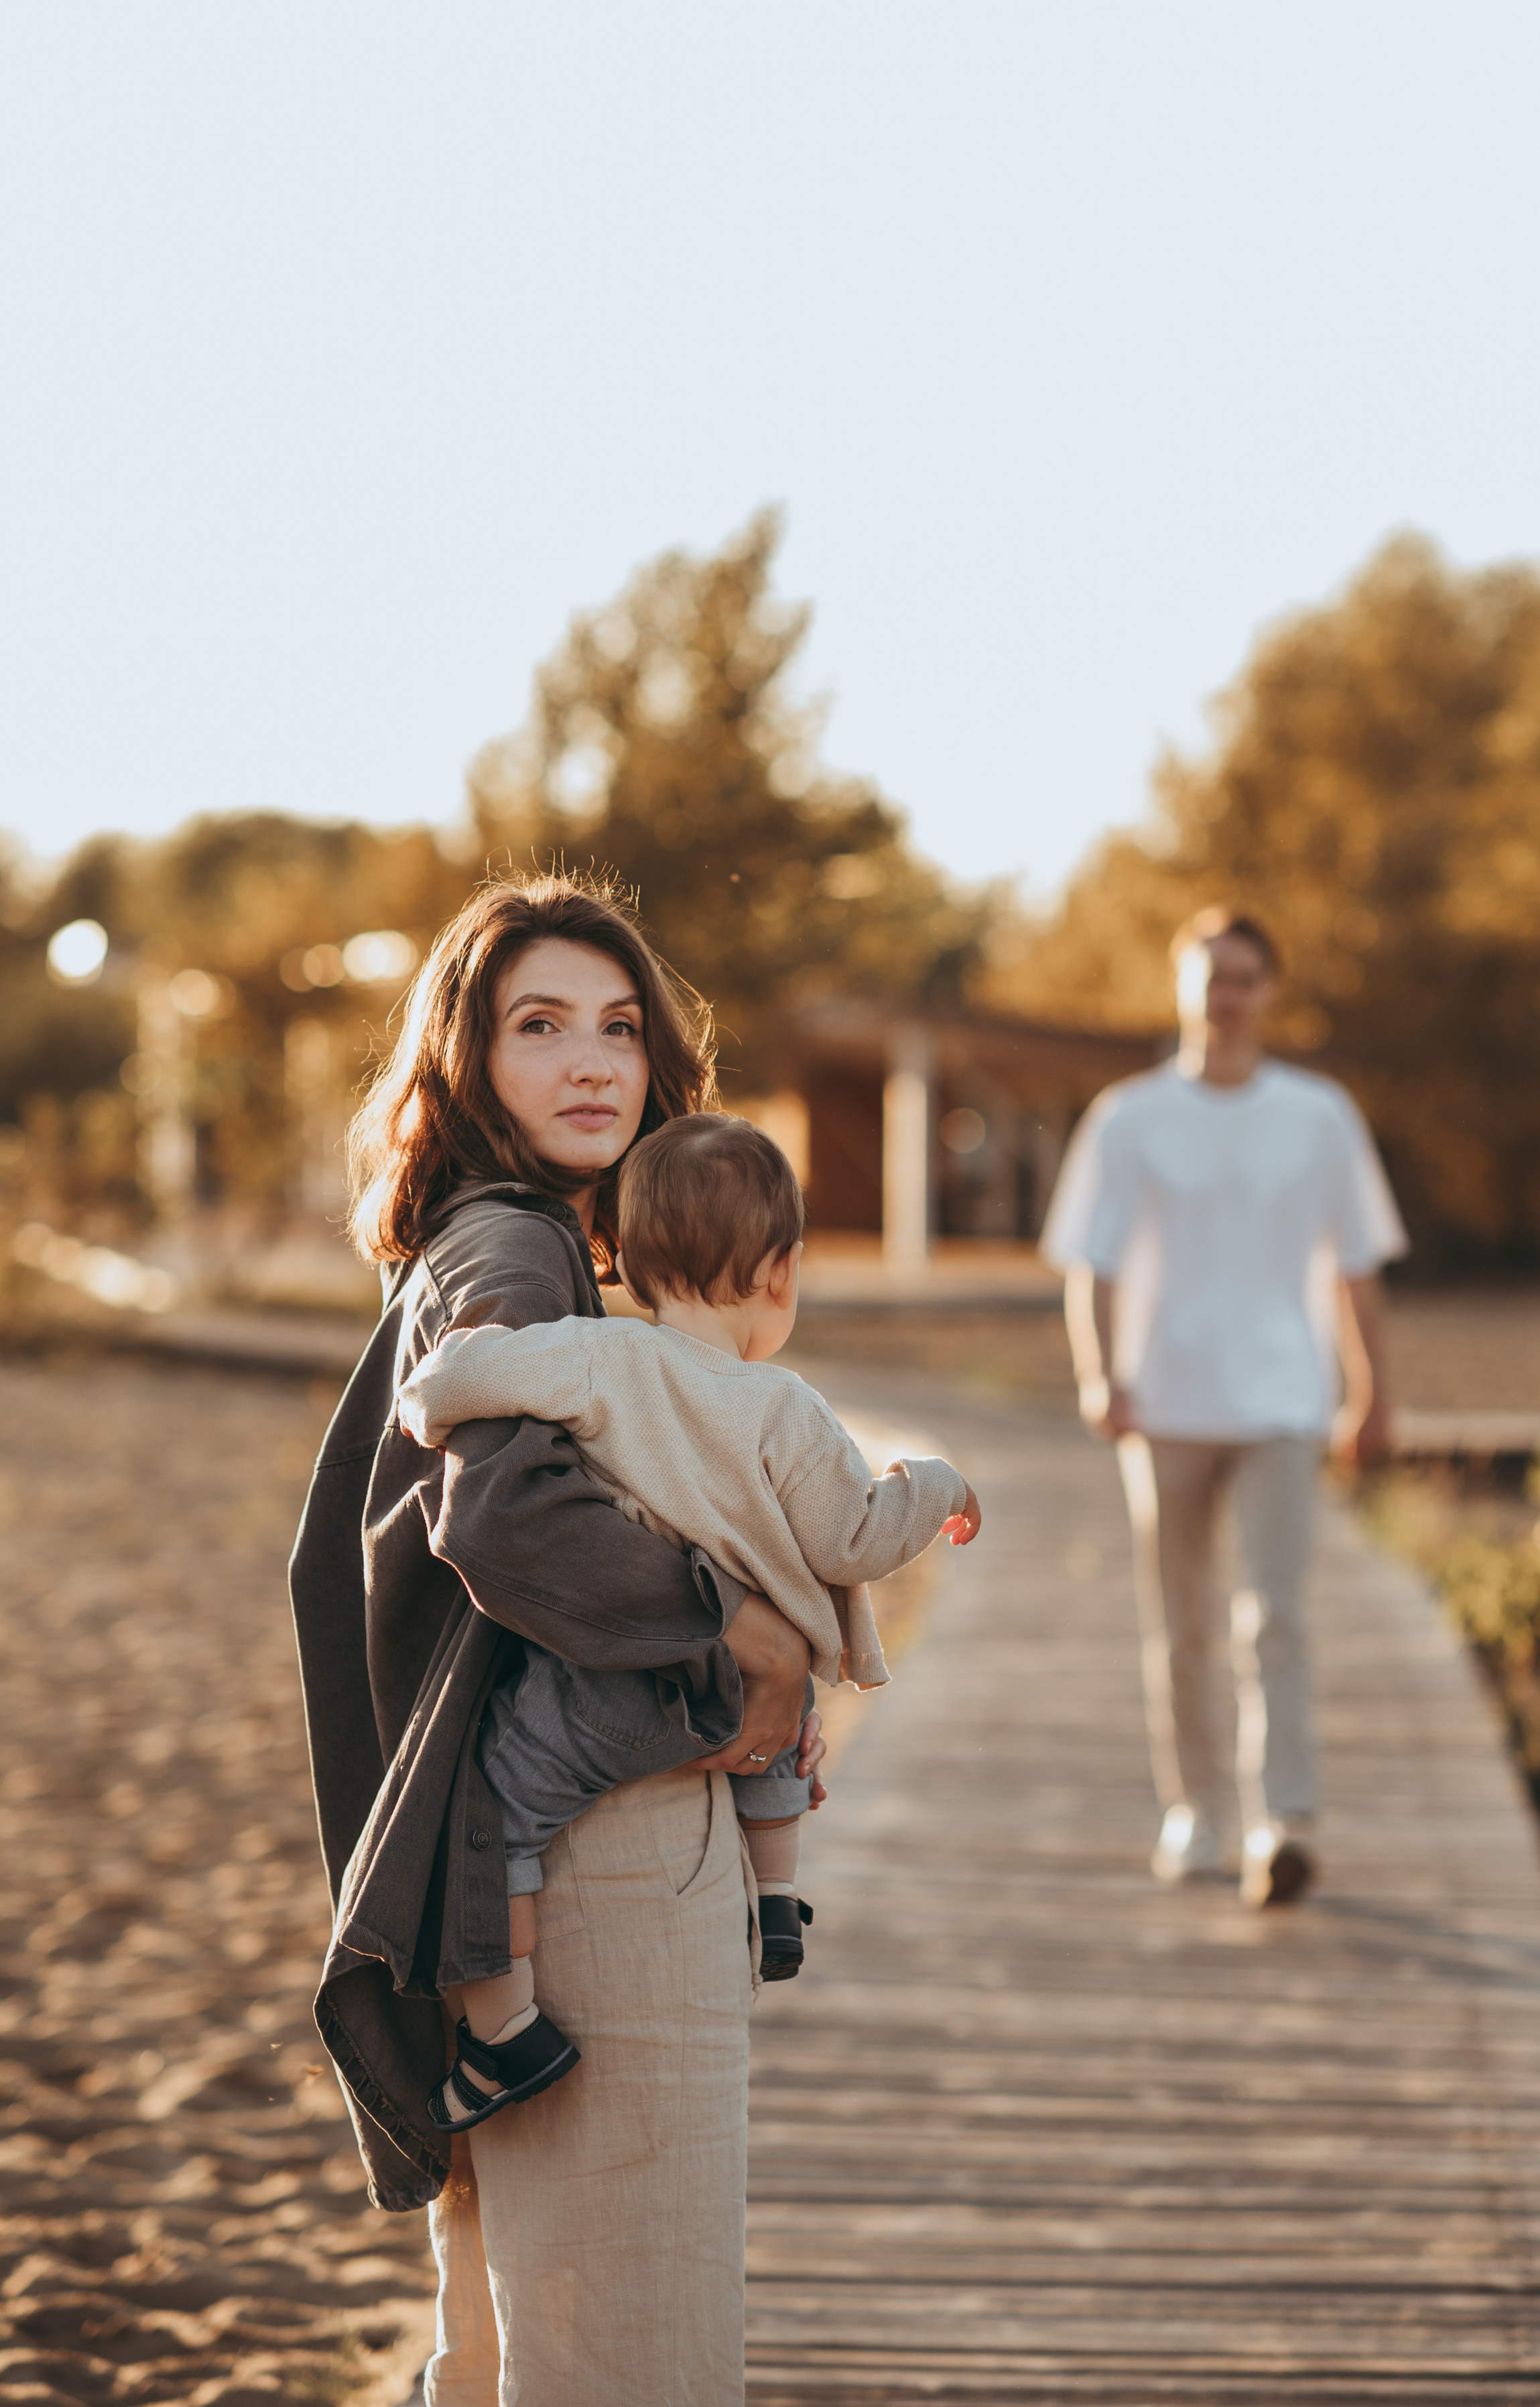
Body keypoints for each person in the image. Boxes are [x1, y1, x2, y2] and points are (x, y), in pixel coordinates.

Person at [289, 874, 828, 2406]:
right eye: (539, 1026)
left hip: (532, 1840)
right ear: (467, 1057)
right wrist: (736, 1632)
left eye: (619, 1028)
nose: (593, 1062)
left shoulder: (494, 1243)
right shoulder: (515, 1250)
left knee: (508, 2339)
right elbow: (508, 1516)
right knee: (629, 2346)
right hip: (600, 1845)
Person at [396, 1109, 980, 2124]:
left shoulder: (600, 1355)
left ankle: (505, 2031)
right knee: (787, 1732)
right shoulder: (786, 1409)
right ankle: (778, 1900)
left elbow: (453, 1385)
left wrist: (440, 1379)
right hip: (749, 1691)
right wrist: (935, 1484)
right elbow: (854, 1540)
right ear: (782, 1273)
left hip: (616, 1686)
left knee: (496, 1806)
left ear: (623, 1266)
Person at [1040, 906, 1407, 1908]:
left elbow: (1358, 1267)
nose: (1227, 995)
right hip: (1163, 1403)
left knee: (1275, 1614)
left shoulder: (1320, 1115)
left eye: (1244, 977)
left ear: (1268, 991)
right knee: (1182, 1624)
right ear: (1183, 987)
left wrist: (1374, 1393)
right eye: (1211, 977)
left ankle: (1283, 1821)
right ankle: (1200, 1812)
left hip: (1285, 1401)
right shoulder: (1129, 1117)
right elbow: (1092, 1263)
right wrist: (1100, 1374)